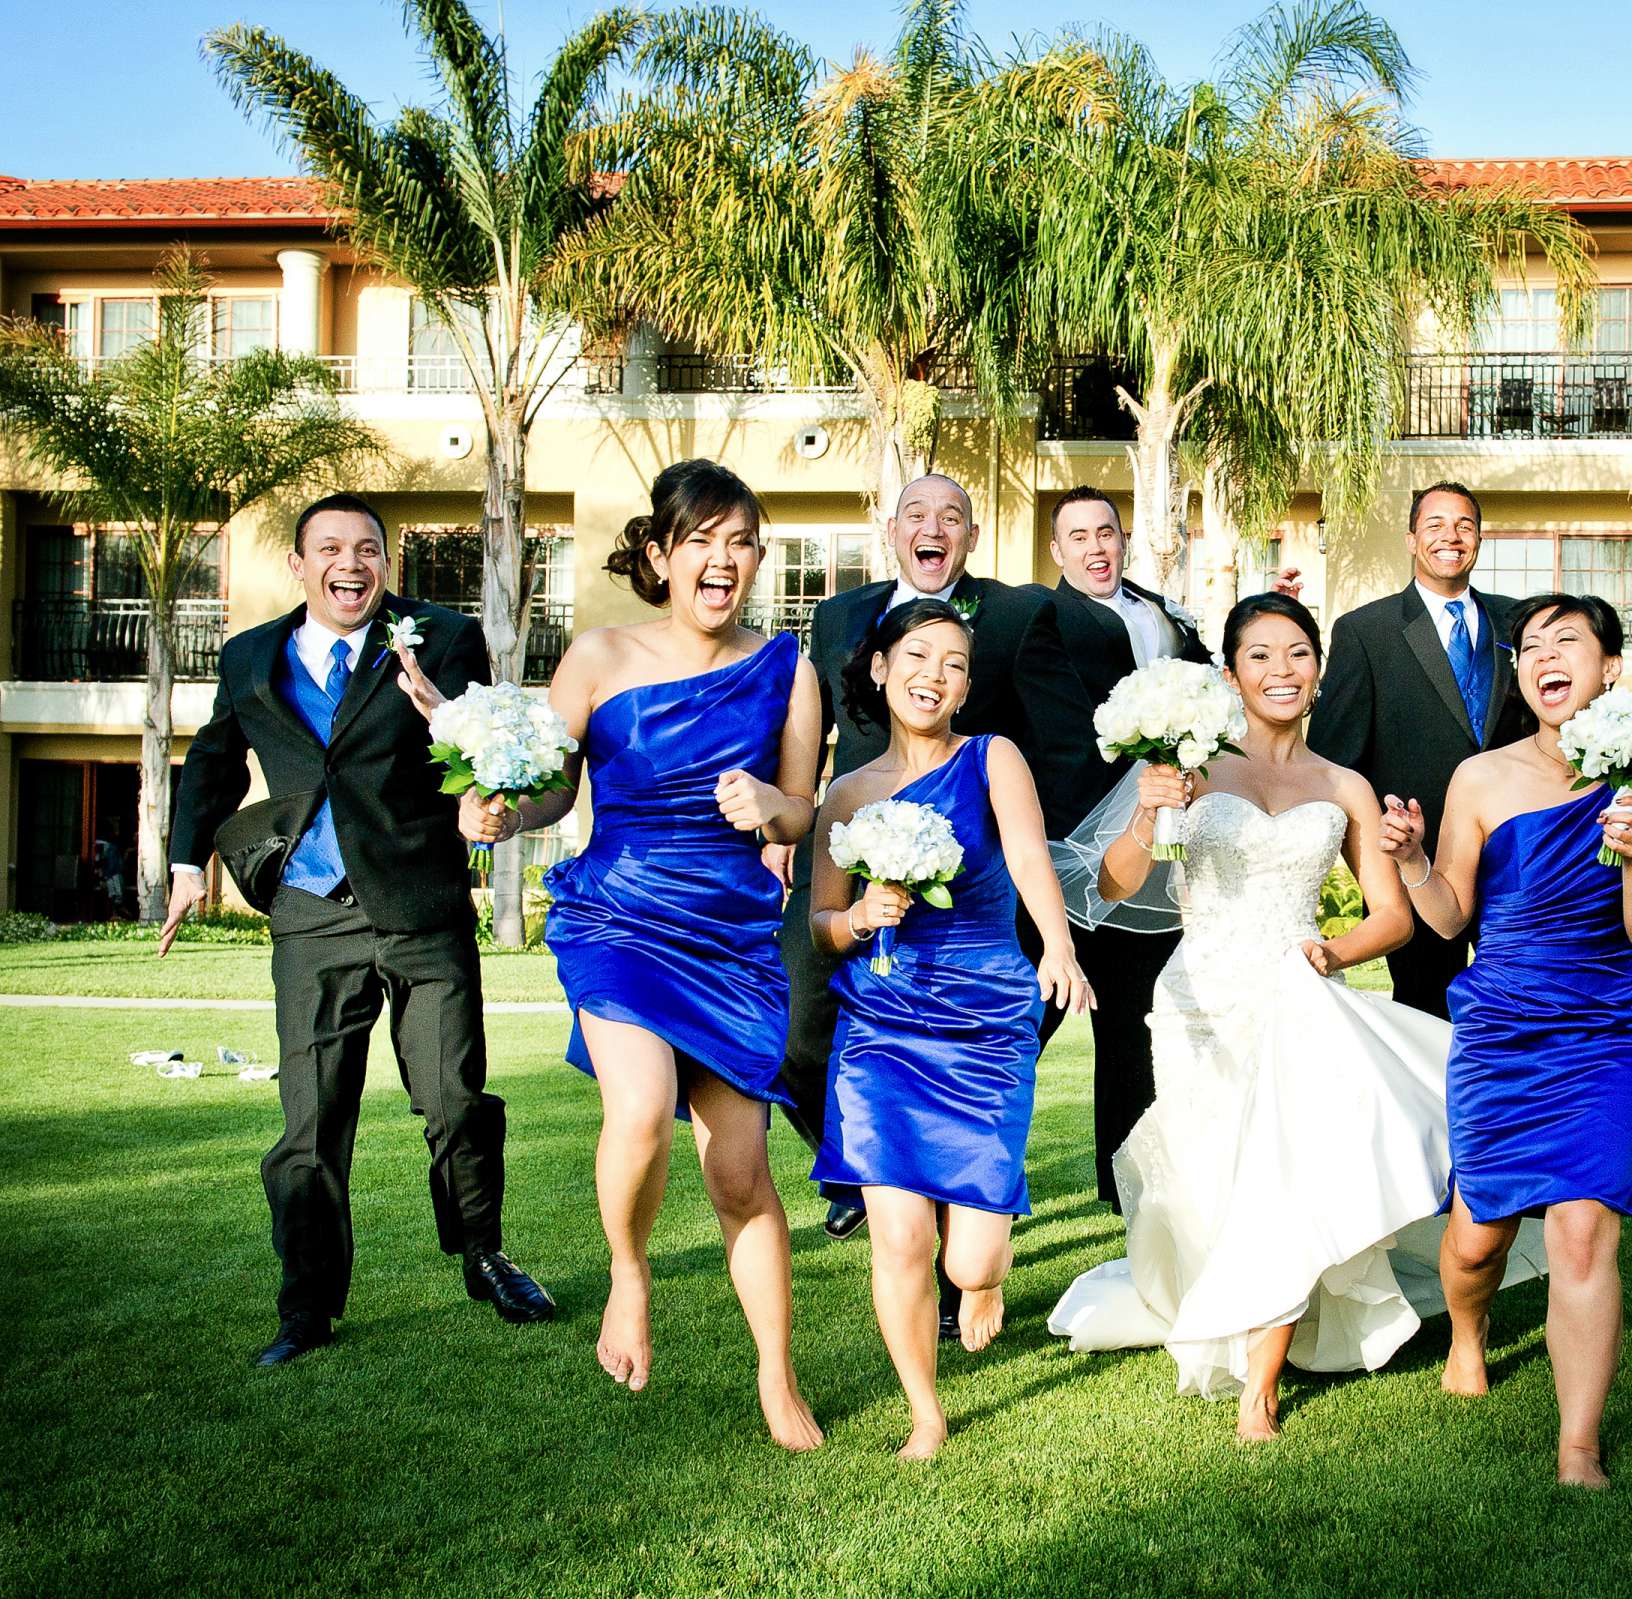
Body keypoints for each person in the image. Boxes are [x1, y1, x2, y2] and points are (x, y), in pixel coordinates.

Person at [1048, 594, 1529, 1442]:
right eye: (1261, 655)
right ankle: (1243, 1309)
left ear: (1318, 671)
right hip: (1200, 1000)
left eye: (1298, 653)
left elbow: (1393, 917)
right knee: (1216, 1183)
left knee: (1284, 1172)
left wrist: (1334, 954)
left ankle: (1260, 1387)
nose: (1282, 670)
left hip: (1299, 996)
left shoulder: (1343, 784)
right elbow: (1120, 882)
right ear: (1230, 674)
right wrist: (1150, 805)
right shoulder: (1192, 764)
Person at [443, 460, 825, 1450]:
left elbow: (802, 810)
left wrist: (770, 809)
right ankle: (628, 1272)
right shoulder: (599, 657)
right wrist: (495, 811)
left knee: (741, 1176)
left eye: (741, 542)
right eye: (703, 540)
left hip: (732, 938)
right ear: (660, 553)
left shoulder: (790, 668)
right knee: (643, 1105)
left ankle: (777, 1376)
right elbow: (550, 791)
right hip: (619, 917)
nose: (724, 560)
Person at [161, 493, 553, 1368]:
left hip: (421, 906)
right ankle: (305, 1307)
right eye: (331, 548)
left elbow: (493, 748)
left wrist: (451, 741)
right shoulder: (250, 657)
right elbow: (216, 764)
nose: (352, 562)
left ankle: (483, 1253)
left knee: (455, 1100)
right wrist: (189, 865)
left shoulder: (441, 639)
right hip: (311, 915)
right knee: (310, 1121)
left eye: (369, 548)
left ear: (388, 562)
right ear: (299, 566)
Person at [1381, 593, 1632, 1491]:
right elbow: (1446, 913)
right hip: (1503, 1025)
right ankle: (1467, 1337)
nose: (1546, 657)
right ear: (1519, 675)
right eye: (1530, 647)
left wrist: (1631, 852)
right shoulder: (1481, 776)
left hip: (1605, 1026)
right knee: (1479, 1236)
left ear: (1609, 668)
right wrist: (1408, 862)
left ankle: (1577, 1442)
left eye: (1569, 642)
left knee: (1583, 1232)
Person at [773, 473, 1092, 1247]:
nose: (933, 526)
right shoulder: (838, 614)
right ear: (892, 529)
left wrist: (1042, 865)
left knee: (963, 1060)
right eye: (917, 513)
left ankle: (950, 1220)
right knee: (789, 1037)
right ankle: (860, 1162)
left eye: (952, 516)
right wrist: (789, 822)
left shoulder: (1019, 614)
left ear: (971, 538)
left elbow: (1057, 742)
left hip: (970, 886)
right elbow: (811, 727)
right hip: (848, 849)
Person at [808, 598, 1093, 1459]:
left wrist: (1058, 947)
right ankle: (924, 1411)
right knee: (899, 1237)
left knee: (967, 1260)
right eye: (919, 656)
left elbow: (1032, 855)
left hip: (984, 1018)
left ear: (968, 687)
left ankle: (983, 1280)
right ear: (882, 668)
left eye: (956, 663)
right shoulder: (847, 796)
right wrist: (860, 915)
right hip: (883, 1025)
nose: (936, 674)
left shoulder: (991, 758)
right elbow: (820, 923)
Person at [1040, 486, 1216, 1210]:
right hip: (1102, 845)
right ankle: (1124, 1185)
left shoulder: (1161, 609)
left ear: (1124, 538)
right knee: (1114, 1027)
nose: (1094, 547)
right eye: (1077, 536)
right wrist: (1127, 808)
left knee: (1164, 1015)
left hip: (1187, 833)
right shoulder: (1047, 622)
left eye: (1105, 531)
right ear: (1057, 550)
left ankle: (1170, 1176)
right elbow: (1056, 736)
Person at [1311, 482, 1516, 1018]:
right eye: (1436, 525)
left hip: (1516, 866)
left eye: (1465, 526)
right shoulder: (1365, 631)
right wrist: (1380, 868)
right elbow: (1335, 763)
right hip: (1416, 865)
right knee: (1427, 1015)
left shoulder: (1519, 623)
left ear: (1478, 538)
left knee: (1518, 1015)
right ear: (1410, 539)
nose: (1452, 536)